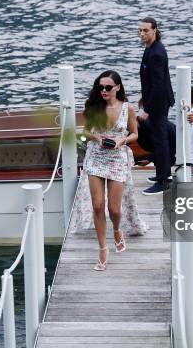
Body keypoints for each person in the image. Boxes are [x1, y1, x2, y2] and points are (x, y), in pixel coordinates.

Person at [71, 70, 147, 271]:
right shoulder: (94, 106)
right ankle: (103, 248)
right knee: (97, 205)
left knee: (114, 209)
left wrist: (122, 140)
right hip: (95, 158)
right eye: (100, 87)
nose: (103, 91)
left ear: (117, 88)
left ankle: (116, 230)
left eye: (107, 87)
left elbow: (134, 134)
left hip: (117, 159)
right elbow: (85, 132)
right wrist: (97, 138)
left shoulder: (128, 109)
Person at [138, 17, 175, 195]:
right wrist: (143, 98)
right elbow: (150, 80)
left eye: (146, 30)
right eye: (140, 30)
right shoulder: (150, 49)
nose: (142, 33)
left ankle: (163, 180)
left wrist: (147, 109)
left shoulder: (157, 53)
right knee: (157, 138)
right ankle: (161, 172)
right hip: (153, 100)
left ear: (154, 30)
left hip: (159, 104)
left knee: (160, 141)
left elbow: (159, 85)